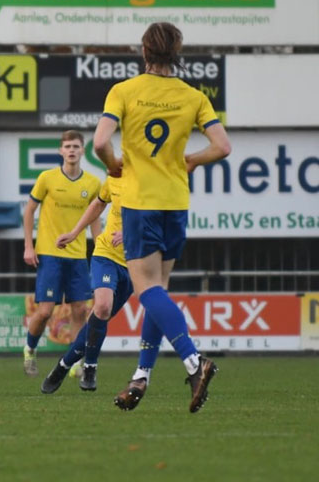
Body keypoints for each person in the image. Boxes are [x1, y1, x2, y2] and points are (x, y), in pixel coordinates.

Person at [94, 22, 231, 413]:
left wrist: (113, 165)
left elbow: (101, 141)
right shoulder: (192, 96)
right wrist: (191, 159)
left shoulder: (124, 90)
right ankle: (142, 376)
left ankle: (193, 361)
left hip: (140, 202)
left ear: (144, 52)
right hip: (176, 201)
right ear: (177, 52)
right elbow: (222, 146)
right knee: (159, 290)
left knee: (146, 290)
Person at [41, 174, 133, 394]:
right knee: (101, 307)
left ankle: (63, 365)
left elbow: (162, 224)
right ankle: (90, 366)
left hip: (134, 264)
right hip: (106, 254)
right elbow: (99, 203)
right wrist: (74, 232)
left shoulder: (154, 184)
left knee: (97, 319)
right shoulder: (117, 176)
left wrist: (132, 233)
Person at [21, 130, 100, 377]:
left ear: (82, 151)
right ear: (61, 151)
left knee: (79, 310)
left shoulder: (93, 183)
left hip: (77, 256)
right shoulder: (47, 178)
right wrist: (28, 245)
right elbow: (29, 211)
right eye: (67, 146)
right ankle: (30, 349)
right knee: (45, 311)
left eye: (76, 146)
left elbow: (95, 219)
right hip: (49, 253)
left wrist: (100, 251)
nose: (72, 150)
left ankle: (76, 363)